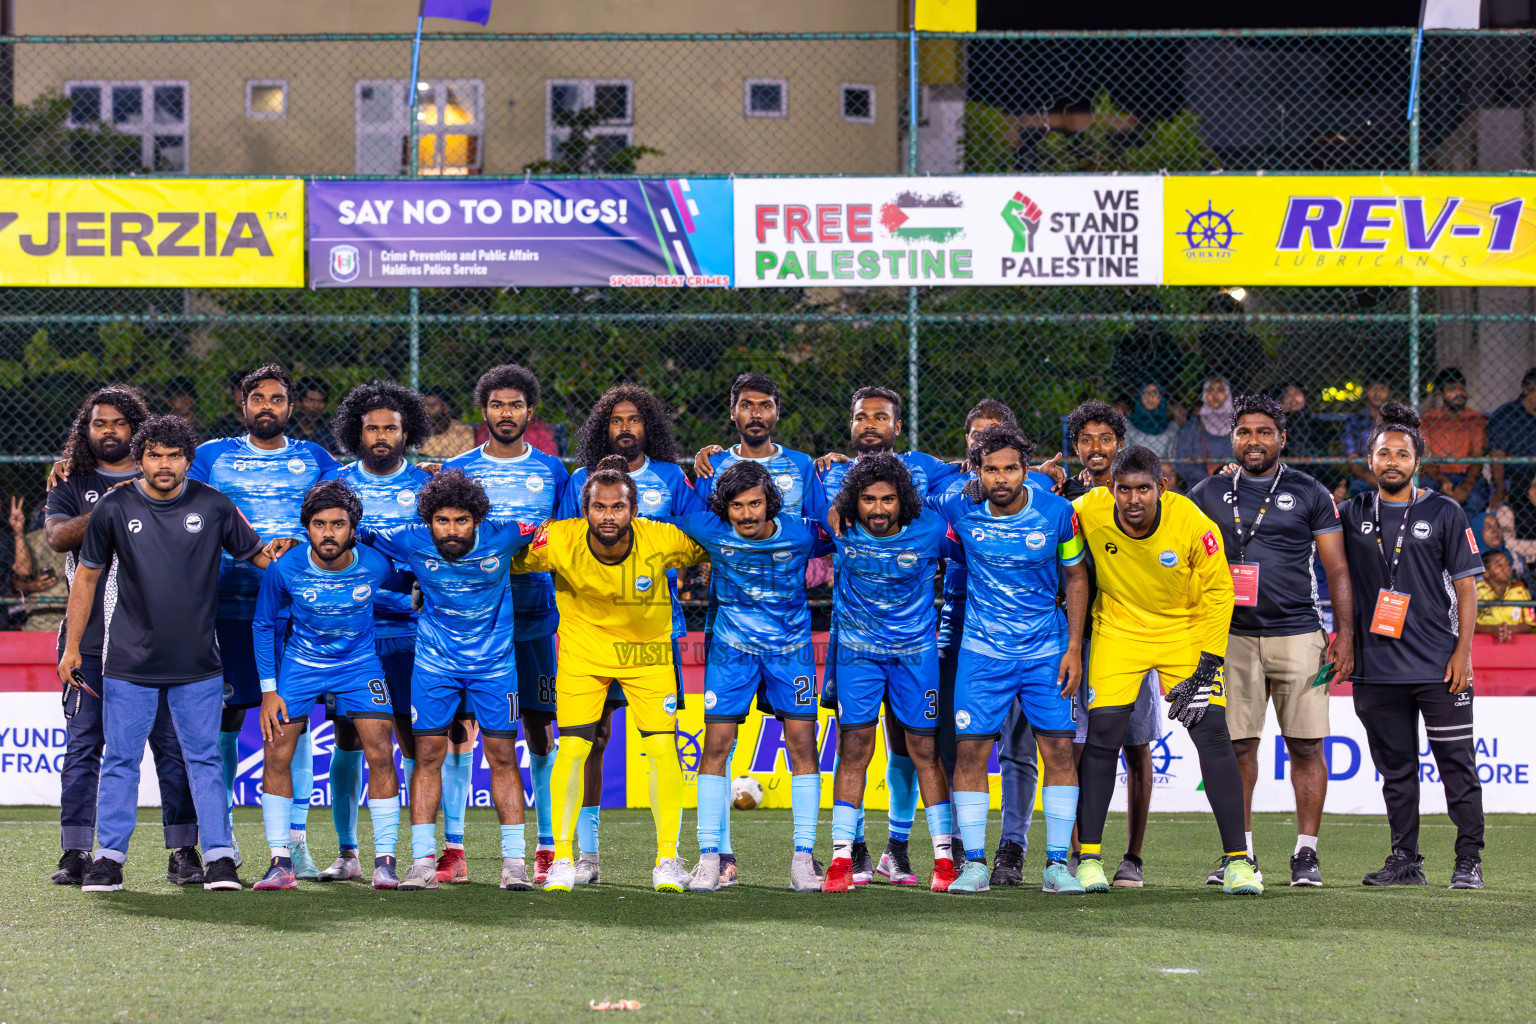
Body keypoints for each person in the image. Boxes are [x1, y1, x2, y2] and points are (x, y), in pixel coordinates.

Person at [57, 415, 281, 894]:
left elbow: (262, 558)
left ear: (188, 460)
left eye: (173, 455)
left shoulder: (215, 505)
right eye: (154, 454)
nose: (164, 464)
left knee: (203, 759)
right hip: (128, 663)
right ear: (140, 458)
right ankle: (109, 859)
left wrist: (303, 562)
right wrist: (73, 646)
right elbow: (88, 580)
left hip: (198, 663)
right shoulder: (114, 508)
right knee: (119, 760)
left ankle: (221, 857)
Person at [515, 455, 709, 894]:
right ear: (584, 510)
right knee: (573, 750)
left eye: (617, 507)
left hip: (648, 656)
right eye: (599, 507)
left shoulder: (662, 538)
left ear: (633, 510)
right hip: (584, 656)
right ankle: (562, 858)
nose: (608, 515)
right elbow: (503, 556)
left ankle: (666, 859)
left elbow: (715, 542)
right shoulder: (558, 539)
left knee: (663, 748)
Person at [1071, 445, 1260, 895]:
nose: (1133, 500)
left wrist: (1209, 662)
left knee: (1213, 734)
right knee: (1102, 738)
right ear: (1110, 488)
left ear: (1162, 487)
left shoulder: (1193, 522)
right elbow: (1040, 509)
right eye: (1124, 490)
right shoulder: (1088, 510)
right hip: (1119, 632)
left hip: (1185, 634)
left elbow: (1219, 592)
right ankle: (1090, 860)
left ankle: (1238, 863)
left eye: (1143, 489)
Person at [1188, 393, 1355, 887]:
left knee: (1305, 745)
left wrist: (1342, 631)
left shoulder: (1309, 491)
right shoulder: (1208, 492)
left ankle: (1306, 853)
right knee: (1237, 747)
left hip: (1300, 634)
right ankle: (1241, 854)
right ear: (1232, 437)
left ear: (1282, 438)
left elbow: (1337, 567)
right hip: (1231, 637)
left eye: (1265, 432)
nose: (1254, 440)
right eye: (1245, 432)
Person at [43, 387, 201, 887]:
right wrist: (111, 507)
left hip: (152, 636)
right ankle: (75, 851)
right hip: (88, 637)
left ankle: (183, 851)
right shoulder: (72, 479)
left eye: (118, 423)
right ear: (86, 430)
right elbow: (57, 537)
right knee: (84, 743)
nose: (108, 430)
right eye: (98, 423)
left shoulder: (160, 475)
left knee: (169, 745)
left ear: (136, 429)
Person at [189, 364, 342, 875]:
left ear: (290, 408)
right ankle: (221, 837)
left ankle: (295, 841)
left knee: (294, 723)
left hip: (299, 612)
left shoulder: (314, 459)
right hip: (228, 605)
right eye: (258, 397)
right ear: (243, 404)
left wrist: (300, 545)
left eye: (277, 398)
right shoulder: (211, 456)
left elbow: (342, 517)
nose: (267, 406)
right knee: (225, 721)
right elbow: (168, 497)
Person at [360, 470, 538, 891]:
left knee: (502, 757)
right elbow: (358, 533)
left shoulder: (508, 534)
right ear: (428, 521)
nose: (452, 530)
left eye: (461, 520)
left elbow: (556, 534)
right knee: (426, 757)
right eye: (442, 520)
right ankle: (422, 860)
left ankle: (514, 863)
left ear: (477, 519)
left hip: (495, 667)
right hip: (435, 665)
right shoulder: (409, 538)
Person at [930, 426, 1090, 895]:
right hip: (981, 654)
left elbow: (1077, 579)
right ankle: (975, 864)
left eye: (1011, 468)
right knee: (970, 753)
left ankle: (1057, 865)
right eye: (991, 469)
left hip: (1046, 652)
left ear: (1026, 470)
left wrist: (1074, 648)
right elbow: (904, 494)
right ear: (976, 470)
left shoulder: (1058, 513)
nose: (1001, 478)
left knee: (1059, 750)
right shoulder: (958, 505)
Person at [556, 383, 704, 881]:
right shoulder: (581, 480)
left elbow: (697, 537)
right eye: (616, 420)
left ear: (648, 428)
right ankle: (587, 856)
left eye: (634, 419)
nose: (625, 427)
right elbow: (561, 545)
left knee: (659, 742)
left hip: (653, 632)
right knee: (589, 741)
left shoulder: (671, 477)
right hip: (588, 633)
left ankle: (668, 856)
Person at [816, 385, 961, 886]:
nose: (878, 507)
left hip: (915, 654)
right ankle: (843, 857)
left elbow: (980, 486)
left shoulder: (931, 521)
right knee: (853, 746)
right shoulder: (833, 499)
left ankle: (937, 857)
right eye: (862, 416)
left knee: (920, 749)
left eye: (882, 416)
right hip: (854, 651)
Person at [1338, 403, 1486, 889]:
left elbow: (1467, 587)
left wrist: (1462, 653)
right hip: (1377, 670)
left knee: (1457, 767)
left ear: (1417, 461)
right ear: (1371, 461)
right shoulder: (1353, 512)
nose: (1393, 461)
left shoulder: (1445, 510)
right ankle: (1405, 861)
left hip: (1438, 667)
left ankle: (1468, 861)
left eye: (1403, 453)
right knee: (1396, 773)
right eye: (1384, 453)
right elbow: (1302, 518)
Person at [689, 371, 826, 885]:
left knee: (802, 745)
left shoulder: (803, 511)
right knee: (716, 744)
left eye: (764, 405)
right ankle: (712, 858)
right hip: (730, 647)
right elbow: (663, 514)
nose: (755, 413)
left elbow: (843, 523)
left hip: (791, 647)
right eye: (745, 405)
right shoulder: (710, 503)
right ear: (733, 412)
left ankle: (802, 860)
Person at [444, 365, 570, 885]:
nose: (506, 413)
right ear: (484, 411)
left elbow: (568, 541)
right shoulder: (457, 471)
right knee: (458, 730)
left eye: (515, 404)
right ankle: (454, 848)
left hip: (535, 620)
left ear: (530, 412)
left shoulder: (554, 471)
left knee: (539, 729)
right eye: (497, 404)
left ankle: (545, 847)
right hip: (469, 624)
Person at [252, 482, 405, 891]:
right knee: (277, 752)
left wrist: (414, 599)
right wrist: (269, 691)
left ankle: (385, 861)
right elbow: (264, 623)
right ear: (307, 528)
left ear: (353, 528)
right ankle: (280, 862)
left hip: (359, 666)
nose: (328, 533)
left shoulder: (376, 564)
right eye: (319, 524)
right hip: (300, 666)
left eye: (338, 524)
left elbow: (402, 583)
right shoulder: (285, 568)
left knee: (380, 752)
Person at [326, 379, 435, 882]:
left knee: (417, 741)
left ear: (406, 431)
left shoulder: (429, 484)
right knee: (348, 740)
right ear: (357, 432)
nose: (381, 436)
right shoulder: (337, 483)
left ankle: (421, 855)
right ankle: (348, 853)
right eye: (371, 427)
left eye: (390, 427)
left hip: (414, 633)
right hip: (352, 635)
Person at [937, 400, 1044, 887]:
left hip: (1024, 635)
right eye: (977, 437)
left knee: (1020, 750)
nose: (985, 446)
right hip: (957, 629)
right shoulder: (944, 487)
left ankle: (1012, 847)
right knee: (962, 747)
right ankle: (962, 847)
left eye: (995, 436)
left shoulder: (1037, 490)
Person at [1057, 400, 1160, 888]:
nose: (1096, 448)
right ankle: (1079, 854)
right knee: (1075, 748)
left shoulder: (1143, 494)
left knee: (1136, 747)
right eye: (1086, 440)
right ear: (1075, 448)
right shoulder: (1060, 497)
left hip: (1133, 638)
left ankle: (1133, 857)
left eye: (1105, 439)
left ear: (1120, 445)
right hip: (1080, 639)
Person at [1420, 367, 1488, 515]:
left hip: (1467, 475)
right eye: (1452, 389)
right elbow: (1427, 461)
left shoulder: (1475, 419)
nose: (1459, 393)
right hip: (1437, 476)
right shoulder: (1427, 421)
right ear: (1440, 393)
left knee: (1476, 500)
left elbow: (1478, 458)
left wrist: (1466, 486)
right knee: (1426, 500)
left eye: (1462, 388)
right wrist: (1442, 480)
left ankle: (1466, 536)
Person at [1109, 292, 1184, 404]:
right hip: (1132, 395)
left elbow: (1176, 377)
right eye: (1142, 313)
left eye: (1151, 313)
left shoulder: (1167, 341)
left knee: (1178, 409)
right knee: (1118, 410)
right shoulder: (1127, 341)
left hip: (1163, 394)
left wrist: (1158, 394)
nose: (1146, 318)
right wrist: (1139, 395)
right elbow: (1120, 378)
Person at [1487, 367, 1536, 540]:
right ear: (1528, 390)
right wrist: (1500, 489)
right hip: (1516, 479)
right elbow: (1497, 457)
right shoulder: (1506, 415)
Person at [1197, 291, 1264, 396]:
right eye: (1212, 313)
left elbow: (1254, 372)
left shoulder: (1249, 341)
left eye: (1217, 313)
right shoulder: (1208, 338)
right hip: (1214, 392)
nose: (1214, 319)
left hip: (1240, 391)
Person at [1176, 376, 1234, 485]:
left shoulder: (1238, 424)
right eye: (1210, 390)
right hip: (1200, 487)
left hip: (1235, 486)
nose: (1214, 394)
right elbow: (1182, 461)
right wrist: (1207, 477)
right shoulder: (1193, 425)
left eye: (1220, 390)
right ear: (1204, 395)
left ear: (1227, 393)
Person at [1342, 380, 1392, 497]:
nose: (1376, 393)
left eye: (1382, 388)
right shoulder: (1355, 421)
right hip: (1365, 476)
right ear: (1366, 391)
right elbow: (1352, 460)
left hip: (1394, 471)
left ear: (1390, 391)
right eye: (1372, 388)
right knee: (1359, 489)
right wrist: (1374, 481)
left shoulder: (1399, 419)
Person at [1475, 550, 1532, 641]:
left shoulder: (1519, 590)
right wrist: (1492, 629)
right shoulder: (1477, 591)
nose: (1507, 568)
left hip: (1516, 642)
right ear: (1486, 572)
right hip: (1481, 643)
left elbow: (1530, 623)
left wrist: (1509, 629)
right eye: (1499, 565)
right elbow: (1468, 625)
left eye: (1508, 564)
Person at [417, 386, 477, 459]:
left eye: (433, 405)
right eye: (424, 406)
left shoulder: (464, 430)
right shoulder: (417, 431)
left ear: (446, 408)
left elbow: (465, 460)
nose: (427, 409)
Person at [1124, 383, 1179, 459]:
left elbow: (1174, 457)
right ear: (1139, 396)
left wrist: (1168, 465)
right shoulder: (1127, 425)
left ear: (1161, 397)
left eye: (1154, 393)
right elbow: (1122, 457)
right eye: (1145, 393)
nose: (1150, 397)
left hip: (1163, 469)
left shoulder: (1172, 427)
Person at [289, 376, 339, 454]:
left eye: (320, 401)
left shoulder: (329, 432)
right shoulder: (285, 429)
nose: (315, 406)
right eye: (310, 400)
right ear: (298, 401)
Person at [165, 376, 208, 441]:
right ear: (169, 401)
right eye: (180, 396)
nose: (186, 400)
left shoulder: (201, 425)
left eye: (189, 395)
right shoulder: (163, 426)